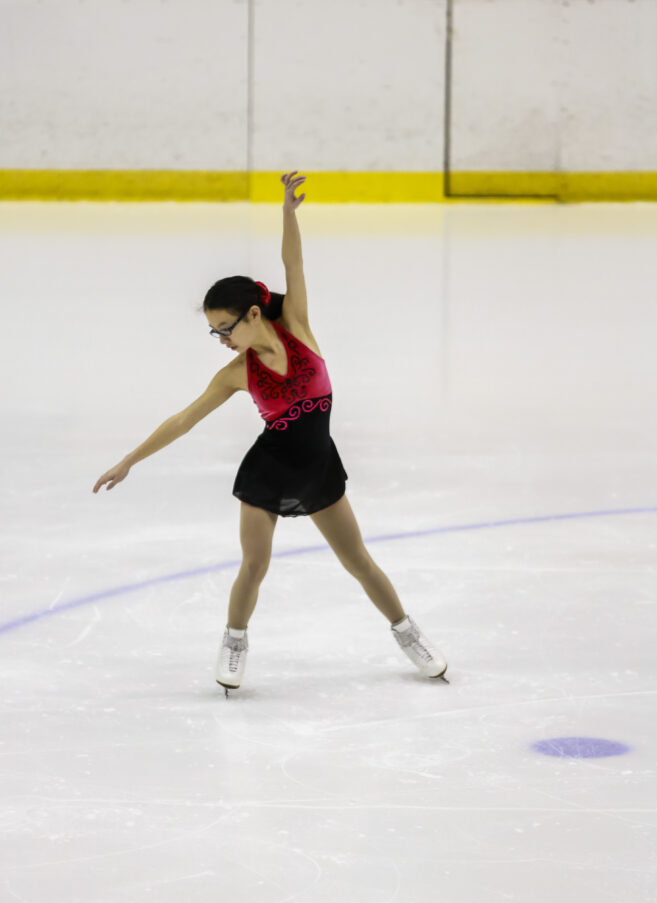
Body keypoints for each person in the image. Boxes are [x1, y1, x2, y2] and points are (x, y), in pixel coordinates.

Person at [93, 171, 448, 693]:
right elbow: (183, 419)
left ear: (253, 314)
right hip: (268, 471)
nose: (218, 338)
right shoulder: (236, 374)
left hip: (319, 467)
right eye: (212, 331)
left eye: (224, 328)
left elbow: (293, 264)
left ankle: (407, 632)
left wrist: (287, 213)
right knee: (255, 564)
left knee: (359, 562)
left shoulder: (298, 327)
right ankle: (234, 641)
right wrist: (130, 460)